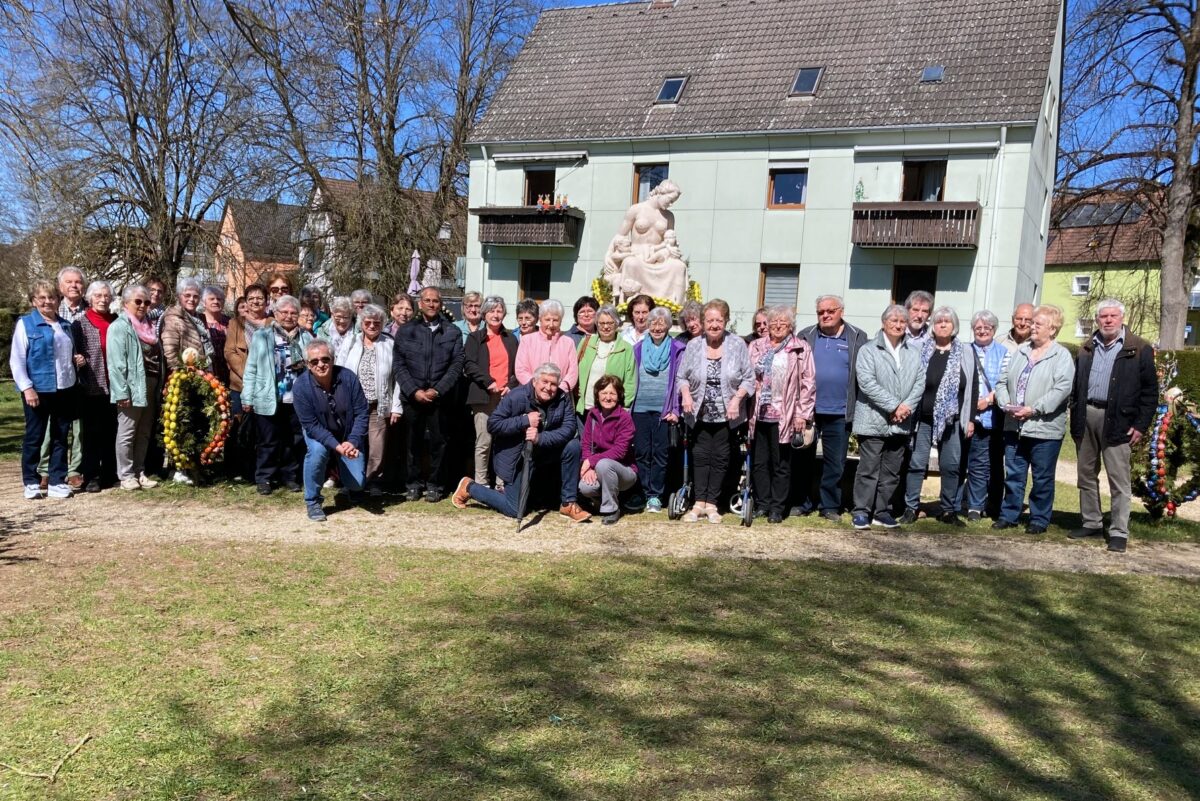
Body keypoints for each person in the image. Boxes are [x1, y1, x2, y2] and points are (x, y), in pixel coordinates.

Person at [1069, 299, 1157, 553]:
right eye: (1103, 316)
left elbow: (1150, 393)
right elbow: (1077, 386)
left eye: (1113, 316)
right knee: (1085, 474)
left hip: (1119, 419)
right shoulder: (1086, 348)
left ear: (1122, 318)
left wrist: (1140, 425)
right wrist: (1075, 412)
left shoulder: (1139, 348)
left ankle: (1119, 531)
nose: (1108, 320)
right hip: (1086, 415)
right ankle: (1092, 523)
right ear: (1097, 320)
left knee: (1118, 480)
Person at [451, 362, 591, 522]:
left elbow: (568, 429)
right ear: (534, 382)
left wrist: (540, 438)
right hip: (517, 456)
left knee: (573, 446)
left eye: (553, 384)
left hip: (543, 450)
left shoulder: (562, 398)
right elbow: (493, 424)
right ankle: (470, 487)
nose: (548, 388)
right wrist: (523, 421)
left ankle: (568, 503)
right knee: (514, 508)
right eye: (544, 382)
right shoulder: (516, 396)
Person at [993, 305, 1075, 535]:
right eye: (1033, 323)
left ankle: (1038, 518)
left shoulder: (1061, 356)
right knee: (1014, 474)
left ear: (1052, 329)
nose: (1032, 327)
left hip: (1044, 428)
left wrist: (1034, 409)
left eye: (1039, 324)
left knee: (1042, 477)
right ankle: (1009, 515)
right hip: (1014, 425)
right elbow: (1001, 382)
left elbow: (1062, 389)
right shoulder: (1020, 351)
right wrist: (1004, 404)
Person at [678, 299, 754, 523]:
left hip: (727, 414)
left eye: (718, 320)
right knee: (700, 456)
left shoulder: (737, 344)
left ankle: (712, 504)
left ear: (726, 321)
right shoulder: (694, 345)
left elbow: (749, 379)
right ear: (703, 322)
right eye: (709, 320)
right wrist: (686, 394)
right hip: (698, 412)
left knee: (720, 457)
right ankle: (698, 503)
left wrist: (736, 400)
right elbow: (681, 376)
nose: (713, 325)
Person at [900, 307, 977, 526]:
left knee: (951, 466)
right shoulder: (921, 350)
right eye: (938, 321)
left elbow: (973, 387)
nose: (942, 324)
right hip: (922, 419)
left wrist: (970, 418)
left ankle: (948, 510)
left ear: (954, 326)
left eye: (947, 321)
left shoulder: (966, 353)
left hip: (951, 419)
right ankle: (911, 508)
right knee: (916, 463)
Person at [850, 305, 925, 530]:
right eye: (893, 320)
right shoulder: (869, 350)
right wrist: (893, 406)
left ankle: (882, 511)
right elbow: (866, 382)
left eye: (903, 321)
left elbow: (919, 383)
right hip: (873, 419)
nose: (898, 324)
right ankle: (861, 512)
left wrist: (906, 407)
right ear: (884, 323)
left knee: (892, 471)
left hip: (901, 423)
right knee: (868, 469)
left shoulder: (913, 353)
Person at [795, 294, 868, 521]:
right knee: (802, 460)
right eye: (820, 312)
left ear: (841, 312)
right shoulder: (805, 336)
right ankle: (802, 503)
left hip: (840, 411)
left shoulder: (857, 337)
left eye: (830, 311)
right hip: (809, 411)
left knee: (835, 463)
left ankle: (829, 506)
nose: (825, 315)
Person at [11, 280, 83, 499]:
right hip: (38, 390)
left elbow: (63, 356)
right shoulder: (26, 324)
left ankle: (56, 480)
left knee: (61, 436)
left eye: (51, 297)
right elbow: (17, 360)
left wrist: (76, 360)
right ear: (34, 301)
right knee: (35, 436)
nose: (47, 302)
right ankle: (31, 481)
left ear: (57, 300)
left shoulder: (65, 326)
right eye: (41, 298)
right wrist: (27, 388)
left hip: (64, 389)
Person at [392, 287, 464, 502]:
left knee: (438, 443)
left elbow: (456, 365)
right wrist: (413, 391)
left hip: (440, 399)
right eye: (427, 300)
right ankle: (413, 483)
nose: (431, 304)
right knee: (412, 443)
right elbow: (399, 364)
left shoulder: (452, 332)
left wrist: (437, 390)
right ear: (420, 304)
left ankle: (435, 484)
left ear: (440, 304)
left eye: (435, 301)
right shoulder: (406, 331)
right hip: (412, 397)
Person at [748, 305, 816, 523]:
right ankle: (762, 504)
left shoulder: (800, 348)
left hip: (785, 414)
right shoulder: (757, 346)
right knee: (759, 462)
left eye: (782, 323)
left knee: (781, 463)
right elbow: (747, 374)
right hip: (759, 412)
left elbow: (808, 382)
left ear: (791, 326)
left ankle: (777, 507)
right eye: (773, 322)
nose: (777, 326)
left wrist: (802, 414)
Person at [242, 294, 312, 495]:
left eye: (293, 313)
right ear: (276, 313)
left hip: (297, 398)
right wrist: (247, 397)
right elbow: (252, 367)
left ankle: (290, 477)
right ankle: (264, 477)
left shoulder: (306, 337)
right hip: (269, 396)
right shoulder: (262, 336)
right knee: (268, 440)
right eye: (285, 312)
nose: (289, 316)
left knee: (294, 440)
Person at [293, 340, 369, 521]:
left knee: (358, 484)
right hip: (318, 432)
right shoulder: (301, 387)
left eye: (325, 359)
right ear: (308, 365)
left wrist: (352, 441)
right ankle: (313, 501)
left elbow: (361, 412)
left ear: (333, 359)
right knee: (317, 452)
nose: (321, 364)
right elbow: (311, 425)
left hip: (347, 433)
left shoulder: (348, 377)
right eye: (314, 361)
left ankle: (348, 486)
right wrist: (337, 446)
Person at [335, 304, 403, 496]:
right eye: (368, 322)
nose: (372, 326)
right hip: (352, 407)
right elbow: (338, 371)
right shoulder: (351, 342)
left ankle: (373, 481)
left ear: (383, 324)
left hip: (378, 406)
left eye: (377, 322)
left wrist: (396, 407)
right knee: (353, 444)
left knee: (377, 448)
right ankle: (352, 483)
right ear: (361, 323)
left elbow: (397, 379)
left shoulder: (389, 345)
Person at [106, 284, 163, 491]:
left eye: (146, 302)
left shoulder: (149, 326)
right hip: (131, 386)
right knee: (127, 431)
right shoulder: (119, 327)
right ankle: (126, 475)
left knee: (144, 431)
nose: (142, 305)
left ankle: (140, 471)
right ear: (125, 303)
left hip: (151, 383)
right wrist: (121, 392)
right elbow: (115, 363)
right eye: (137, 301)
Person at [631, 306, 685, 513]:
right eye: (653, 323)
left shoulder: (677, 348)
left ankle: (656, 495)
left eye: (661, 324)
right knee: (642, 452)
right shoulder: (637, 348)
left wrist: (676, 409)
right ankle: (644, 492)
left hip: (664, 411)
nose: (657, 327)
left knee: (661, 454)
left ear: (668, 326)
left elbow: (681, 381)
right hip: (640, 409)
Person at [462, 296, 518, 487]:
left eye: (499, 310)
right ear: (484, 314)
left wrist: (511, 384)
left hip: (505, 398)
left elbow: (517, 367)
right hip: (483, 397)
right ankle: (481, 484)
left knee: (503, 443)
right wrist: (488, 382)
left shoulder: (511, 338)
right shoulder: (475, 338)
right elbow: (469, 364)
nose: (496, 315)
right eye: (492, 311)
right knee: (484, 442)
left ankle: (501, 484)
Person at [71, 280, 118, 492]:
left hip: (115, 385)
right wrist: (77, 359)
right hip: (91, 385)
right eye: (98, 296)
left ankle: (110, 473)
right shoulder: (79, 323)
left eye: (106, 296)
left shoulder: (116, 321)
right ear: (90, 298)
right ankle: (91, 475)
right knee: (91, 433)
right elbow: (74, 352)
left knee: (112, 431)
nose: (102, 299)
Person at [961, 310, 1008, 521]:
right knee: (968, 462)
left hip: (993, 416)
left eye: (986, 328)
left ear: (994, 330)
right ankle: (966, 505)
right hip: (968, 416)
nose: (982, 331)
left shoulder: (1004, 352)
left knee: (989, 463)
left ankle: (985, 505)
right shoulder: (963, 350)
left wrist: (988, 400)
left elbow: (1006, 382)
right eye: (978, 328)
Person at [47, 266, 88, 489]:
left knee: (79, 428)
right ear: (61, 287)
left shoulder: (89, 311)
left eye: (78, 282)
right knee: (52, 427)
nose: (74, 286)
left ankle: (75, 469)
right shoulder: (51, 308)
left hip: (83, 378)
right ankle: (47, 469)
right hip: (55, 378)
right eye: (69, 282)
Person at [578, 375, 638, 524]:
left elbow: (620, 451)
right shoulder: (592, 415)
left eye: (612, 393)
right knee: (585, 487)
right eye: (604, 393)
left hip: (625, 470)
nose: (608, 397)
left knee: (604, 464)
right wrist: (589, 467)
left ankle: (612, 508)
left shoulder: (624, 418)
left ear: (619, 396)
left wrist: (591, 461)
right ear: (597, 395)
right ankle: (602, 501)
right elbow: (586, 445)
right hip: (599, 467)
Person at [576, 304, 637, 415]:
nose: (605, 327)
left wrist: (624, 406)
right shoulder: (586, 342)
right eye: (602, 323)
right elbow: (575, 370)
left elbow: (630, 382)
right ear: (596, 324)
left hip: (610, 409)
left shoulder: (626, 348)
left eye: (610, 323)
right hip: (585, 406)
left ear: (617, 323)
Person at [514, 299, 578, 393]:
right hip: (531, 394)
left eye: (555, 320)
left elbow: (572, 372)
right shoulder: (527, 341)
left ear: (561, 321)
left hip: (559, 396)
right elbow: (521, 370)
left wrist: (558, 390)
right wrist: (538, 388)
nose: (551, 324)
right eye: (547, 319)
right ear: (540, 320)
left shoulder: (568, 343)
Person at [160, 277, 213, 372]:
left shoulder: (200, 320)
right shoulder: (173, 318)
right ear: (179, 296)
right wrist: (187, 372)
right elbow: (170, 354)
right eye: (187, 295)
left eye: (195, 296)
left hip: (201, 374)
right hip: (184, 377)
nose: (191, 299)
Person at [202, 286, 230, 385]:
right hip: (207, 373)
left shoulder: (230, 322)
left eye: (219, 299)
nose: (216, 302)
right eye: (211, 299)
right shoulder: (199, 322)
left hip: (229, 373)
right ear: (204, 302)